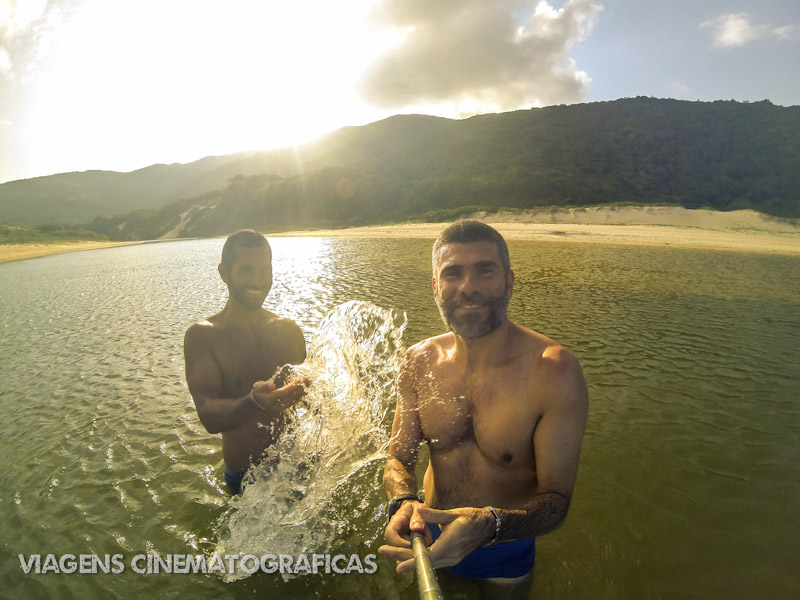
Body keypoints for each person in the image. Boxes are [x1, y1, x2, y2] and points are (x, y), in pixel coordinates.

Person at [379, 220, 588, 598]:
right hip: (426, 533)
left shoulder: (552, 371)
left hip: (505, 546)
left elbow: (557, 502)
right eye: (453, 273)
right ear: (435, 287)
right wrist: (402, 502)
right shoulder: (418, 361)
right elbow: (398, 457)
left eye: (484, 271)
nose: (468, 288)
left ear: (509, 281)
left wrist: (490, 525)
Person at [184, 229, 310, 494]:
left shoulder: (288, 330)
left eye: (265, 269)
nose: (259, 280)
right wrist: (253, 403)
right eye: (247, 270)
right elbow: (208, 416)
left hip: (296, 465)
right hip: (245, 477)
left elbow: (311, 397)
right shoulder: (204, 336)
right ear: (224, 273)